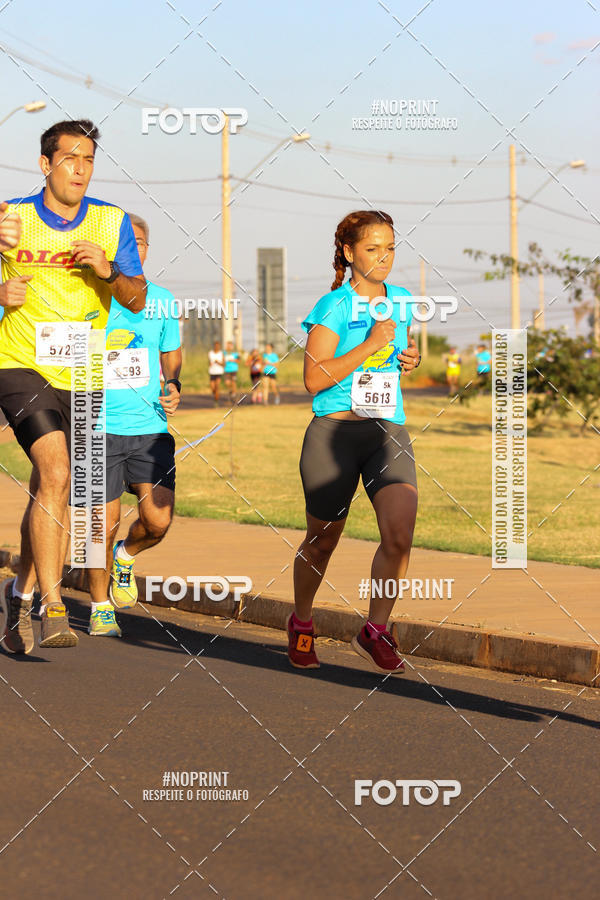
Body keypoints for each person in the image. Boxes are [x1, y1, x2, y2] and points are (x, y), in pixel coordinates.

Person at [0, 119, 146, 653]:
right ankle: (52, 604)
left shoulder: (111, 223)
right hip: (19, 363)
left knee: (52, 488)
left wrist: (108, 272)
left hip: (83, 372)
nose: (81, 169)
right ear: (46, 164)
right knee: (56, 469)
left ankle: (16, 594)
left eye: (88, 159)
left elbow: (136, 299)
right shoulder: (10, 218)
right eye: (70, 159)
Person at [289, 210, 420, 675]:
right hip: (335, 434)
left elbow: (395, 349)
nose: (383, 257)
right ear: (348, 252)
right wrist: (368, 344)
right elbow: (312, 379)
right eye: (372, 248)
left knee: (399, 535)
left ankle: (376, 629)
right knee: (323, 540)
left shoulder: (401, 300)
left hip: (387, 430)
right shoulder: (334, 307)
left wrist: (408, 357)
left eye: (389, 248)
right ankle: (302, 621)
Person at [86, 214, 181, 636]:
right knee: (98, 527)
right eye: (126, 243)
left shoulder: (161, 300)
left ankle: (126, 555)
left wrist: (174, 382)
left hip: (150, 428)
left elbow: (171, 351)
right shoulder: (87, 296)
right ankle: (99, 605)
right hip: (99, 427)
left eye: (139, 242)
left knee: (157, 521)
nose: (134, 249)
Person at [208, 340, 224, 405]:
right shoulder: (210, 353)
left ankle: (216, 401)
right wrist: (210, 364)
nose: (217, 347)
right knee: (212, 388)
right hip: (212, 372)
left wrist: (218, 362)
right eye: (216, 346)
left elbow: (224, 364)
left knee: (217, 386)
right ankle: (215, 395)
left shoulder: (221, 353)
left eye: (218, 346)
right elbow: (209, 362)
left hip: (219, 372)